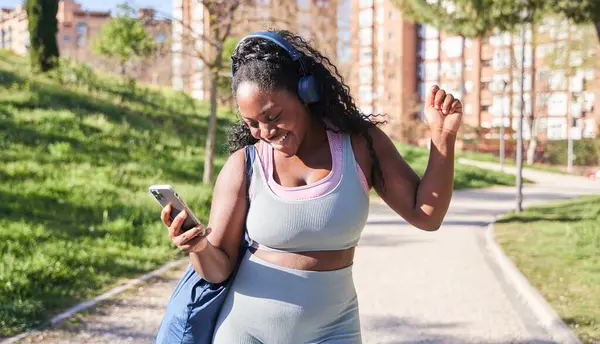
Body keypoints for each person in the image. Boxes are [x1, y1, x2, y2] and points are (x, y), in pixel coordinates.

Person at [161, 29, 463, 343]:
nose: (265, 132)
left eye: (273, 116)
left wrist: (443, 140)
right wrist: (197, 248)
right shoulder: (244, 165)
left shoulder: (360, 146)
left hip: (334, 331)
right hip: (245, 332)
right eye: (252, 123)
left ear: (306, 92)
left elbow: (426, 215)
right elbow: (218, 269)